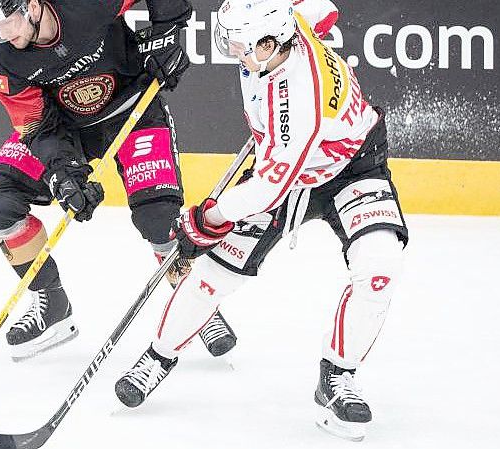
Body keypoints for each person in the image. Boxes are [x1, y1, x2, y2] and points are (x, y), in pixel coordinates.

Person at [114, 0, 408, 441]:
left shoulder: (297, 102)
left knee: (379, 265)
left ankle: (337, 376)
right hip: (288, 166)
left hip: (348, 168)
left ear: (269, 45)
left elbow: (267, 189)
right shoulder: (287, 28)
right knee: (214, 276)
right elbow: (322, 9)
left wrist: (205, 218)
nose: (231, 51)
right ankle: (158, 356)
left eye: (238, 45)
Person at [0, 0, 238, 361]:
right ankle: (51, 304)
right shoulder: (3, 60)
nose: (3, 35)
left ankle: (194, 304)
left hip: (132, 108)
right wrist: (64, 174)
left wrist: (168, 33)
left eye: (7, 22)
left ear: (32, 6)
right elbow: (35, 125)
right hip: (64, 129)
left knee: (159, 221)